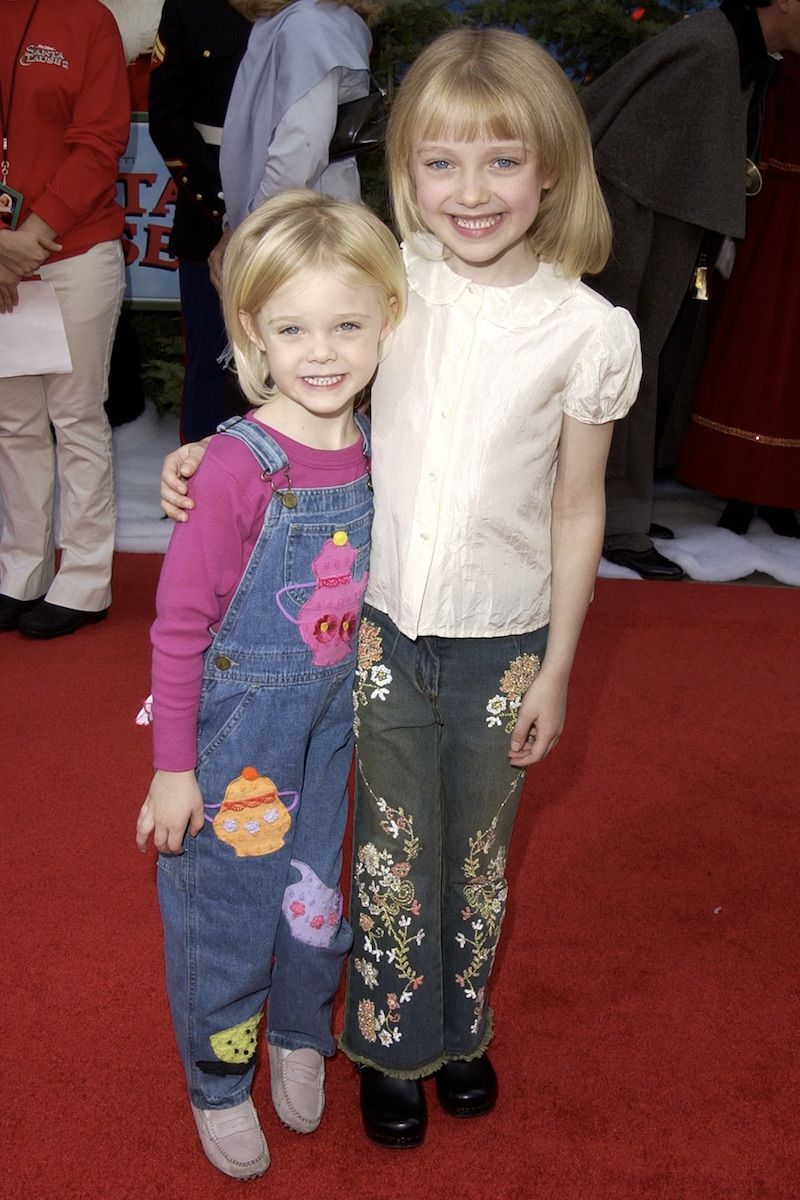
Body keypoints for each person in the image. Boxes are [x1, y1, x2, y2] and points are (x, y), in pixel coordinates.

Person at [159, 27, 642, 1150]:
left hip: (506, 640)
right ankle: (385, 1041)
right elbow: (307, 375)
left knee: (476, 852)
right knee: (384, 850)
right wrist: (212, 455)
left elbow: (578, 507)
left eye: (502, 161)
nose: (470, 192)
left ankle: (458, 1027)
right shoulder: (395, 285)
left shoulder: (588, 331)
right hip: (372, 633)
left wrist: (558, 669)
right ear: (404, 172)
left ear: (551, 172)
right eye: (440, 162)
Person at [136, 189, 405, 1180]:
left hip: (331, 724)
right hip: (241, 731)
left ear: (387, 320)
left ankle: (298, 1031)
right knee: (233, 908)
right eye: (293, 329)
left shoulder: (383, 445)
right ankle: (219, 1077)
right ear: (252, 330)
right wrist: (173, 770)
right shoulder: (233, 468)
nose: (322, 352)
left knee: (313, 897)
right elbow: (178, 628)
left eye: (347, 325)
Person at [580, 0, 800, 580]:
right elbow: (620, 153)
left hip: (650, 217)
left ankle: (622, 513)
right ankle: (616, 525)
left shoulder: (731, 48)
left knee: (640, 362)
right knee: (623, 364)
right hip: (629, 225)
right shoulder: (709, 48)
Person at [0, 0, 129, 638]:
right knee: (13, 424)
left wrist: (30, 235)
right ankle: (20, 572)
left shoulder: (87, 20)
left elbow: (99, 143)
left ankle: (83, 580)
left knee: (75, 417)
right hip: (3, 256)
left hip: (73, 251)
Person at [677, 49, 800, 538]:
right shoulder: (772, 65)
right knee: (752, 343)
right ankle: (739, 487)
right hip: (768, 213)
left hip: (777, 210)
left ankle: (779, 492)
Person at [209, 0, 378, 290]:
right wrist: (233, 226)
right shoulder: (308, 17)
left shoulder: (309, 23)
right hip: (298, 226)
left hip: (299, 237)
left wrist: (252, 234)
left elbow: (299, 154)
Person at [148, 0, 251, 441]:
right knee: (209, 366)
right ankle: (200, 481)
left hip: (291, 217)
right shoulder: (189, 7)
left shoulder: (304, 9)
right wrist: (227, 210)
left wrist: (259, 212)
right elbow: (168, 118)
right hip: (207, 212)